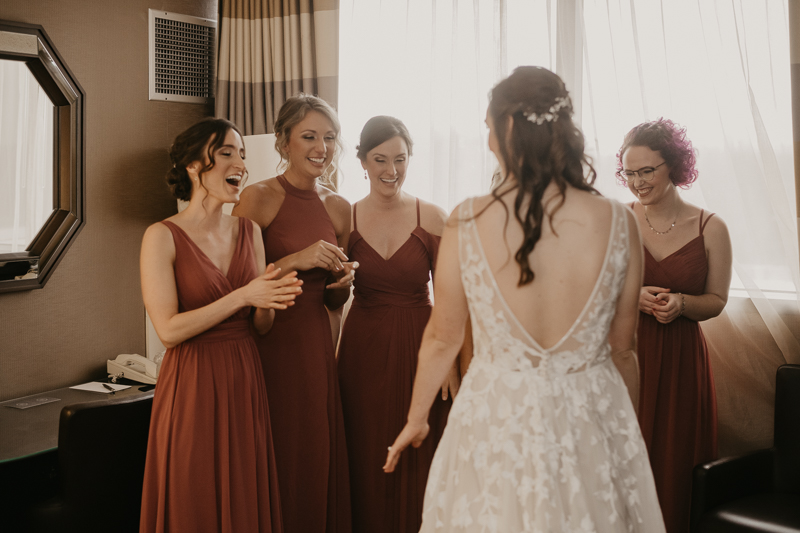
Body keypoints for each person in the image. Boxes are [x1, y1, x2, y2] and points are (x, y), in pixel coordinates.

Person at [384, 66, 666, 531]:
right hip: (589, 415)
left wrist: (417, 418)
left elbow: (443, 337)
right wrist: (622, 432)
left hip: (496, 413)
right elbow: (623, 348)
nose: (488, 141)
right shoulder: (619, 222)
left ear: (508, 128)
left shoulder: (467, 220)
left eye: (488, 129)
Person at [139, 117, 302, 532]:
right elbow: (169, 330)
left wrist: (270, 297)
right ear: (194, 166)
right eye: (227, 152)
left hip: (244, 377)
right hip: (191, 383)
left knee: (243, 497)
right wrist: (245, 295)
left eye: (243, 155)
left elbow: (260, 326)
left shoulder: (249, 230)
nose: (241, 164)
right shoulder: (161, 236)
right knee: (194, 495)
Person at [232, 94, 355, 533]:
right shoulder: (257, 198)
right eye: (309, 137)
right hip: (266, 348)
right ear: (284, 142)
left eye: (330, 137)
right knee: (273, 457)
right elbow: (238, 286)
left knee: (312, 457)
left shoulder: (339, 207)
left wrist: (343, 286)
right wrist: (295, 258)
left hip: (314, 351)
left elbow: (331, 302)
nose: (322, 146)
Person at [337, 116, 457, 533]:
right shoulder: (344, 220)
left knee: (421, 451)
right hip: (362, 349)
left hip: (422, 346)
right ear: (363, 162)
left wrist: (452, 364)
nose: (391, 171)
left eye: (400, 159)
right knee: (365, 448)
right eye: (381, 159)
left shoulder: (434, 216)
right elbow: (332, 298)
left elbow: (453, 301)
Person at [617, 119, 732, 533]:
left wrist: (683, 304)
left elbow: (717, 301)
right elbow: (590, 293)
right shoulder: (617, 220)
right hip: (626, 355)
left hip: (683, 362)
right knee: (625, 461)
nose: (637, 182)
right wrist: (631, 296)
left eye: (647, 170)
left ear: (675, 166)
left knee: (674, 461)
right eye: (629, 173)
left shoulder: (711, 228)